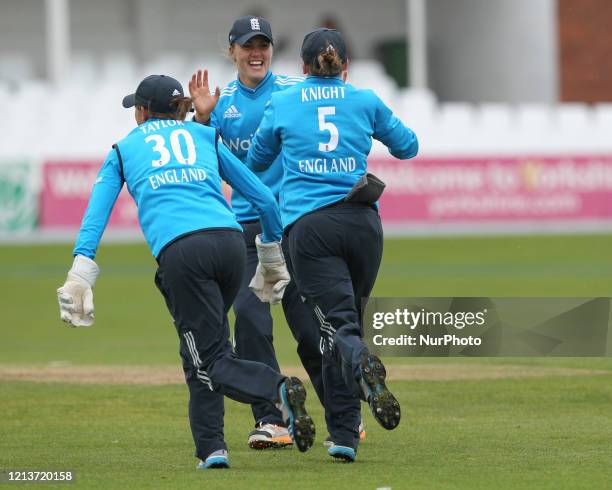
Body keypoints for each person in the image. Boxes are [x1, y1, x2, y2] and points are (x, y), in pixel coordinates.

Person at [56, 73, 315, 469]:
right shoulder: (204, 136)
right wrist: (271, 253)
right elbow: (263, 198)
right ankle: (212, 448)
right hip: (229, 244)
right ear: (180, 109)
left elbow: (97, 213)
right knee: (199, 345)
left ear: (142, 112)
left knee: (210, 357)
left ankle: (278, 390)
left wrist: (80, 270)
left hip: (183, 252)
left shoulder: (124, 149)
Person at [246, 28, 419, 462]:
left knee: (337, 330)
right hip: (363, 224)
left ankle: (362, 363)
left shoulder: (283, 102)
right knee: (341, 327)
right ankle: (343, 436)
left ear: (302, 68)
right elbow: (409, 146)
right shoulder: (364, 100)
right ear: (346, 67)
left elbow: (256, 162)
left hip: (311, 229)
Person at [194, 15, 363, 450]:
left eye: (264, 44)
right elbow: (202, 160)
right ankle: (273, 418)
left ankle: (342, 414)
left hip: (291, 226)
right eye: (247, 45)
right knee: (249, 320)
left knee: (310, 329)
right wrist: (201, 118)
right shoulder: (222, 104)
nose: (257, 52)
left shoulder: (294, 92)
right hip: (246, 228)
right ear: (230, 51)